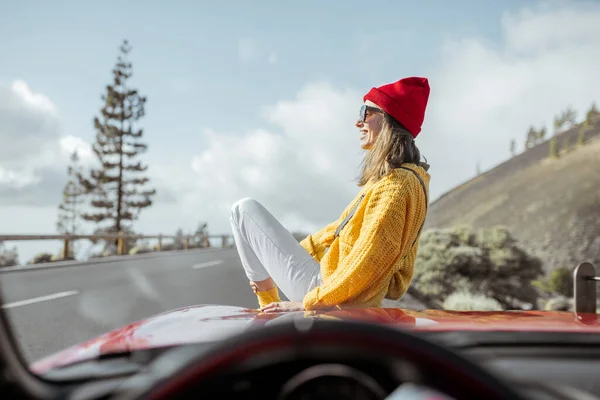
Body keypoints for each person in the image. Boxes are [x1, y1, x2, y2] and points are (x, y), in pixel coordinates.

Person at [229, 76, 431, 313]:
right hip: (337, 291)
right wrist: (280, 256)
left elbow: (368, 260)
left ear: (389, 120)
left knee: (242, 210)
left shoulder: (397, 185)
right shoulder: (398, 181)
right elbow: (337, 233)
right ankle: (269, 304)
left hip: (333, 295)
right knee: (247, 216)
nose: (358, 121)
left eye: (365, 111)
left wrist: (310, 302)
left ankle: (267, 310)